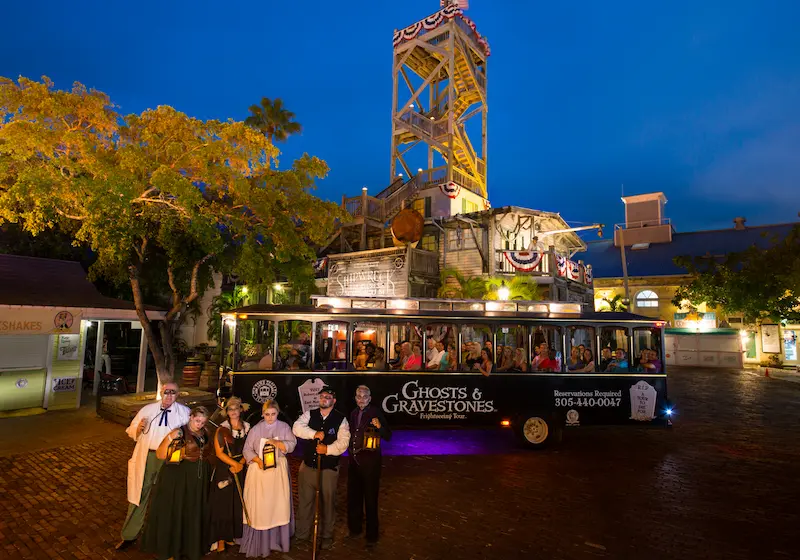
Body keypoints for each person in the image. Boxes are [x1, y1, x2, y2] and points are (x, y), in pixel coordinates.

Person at [116, 382, 190, 551]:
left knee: (166, 497)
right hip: (147, 457)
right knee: (139, 494)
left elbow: (192, 436)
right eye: (166, 392)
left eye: (173, 392)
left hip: (170, 460)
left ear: (177, 395)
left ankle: (163, 536)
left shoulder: (184, 414)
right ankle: (129, 535)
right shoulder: (148, 410)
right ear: (161, 392)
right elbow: (130, 429)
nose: (169, 396)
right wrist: (138, 428)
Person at [141, 406, 213, 560]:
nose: (199, 424)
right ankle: (171, 549)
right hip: (179, 476)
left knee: (192, 510)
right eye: (197, 420)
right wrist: (169, 438)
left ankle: (190, 546)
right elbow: (160, 454)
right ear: (191, 417)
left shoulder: (205, 432)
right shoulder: (179, 432)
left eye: (203, 421)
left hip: (198, 477)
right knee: (177, 510)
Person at [292, 386, 350, 551]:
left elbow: (343, 443)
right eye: (322, 396)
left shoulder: (341, 419)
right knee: (305, 502)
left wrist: (327, 450)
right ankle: (302, 534)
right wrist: (313, 434)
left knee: (328, 504)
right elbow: (296, 428)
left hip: (328, 469)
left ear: (334, 400)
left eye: (328, 396)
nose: (324, 398)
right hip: (308, 467)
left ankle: (326, 536)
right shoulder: (310, 414)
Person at [238, 400, 297, 558]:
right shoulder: (256, 429)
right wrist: (258, 460)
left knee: (278, 504)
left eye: (273, 414)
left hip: (277, 471)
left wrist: (279, 443)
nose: (270, 417)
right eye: (267, 414)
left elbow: (292, 444)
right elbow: (247, 449)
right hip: (259, 472)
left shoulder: (284, 427)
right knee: (261, 506)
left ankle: (277, 540)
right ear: (262, 414)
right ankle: (261, 542)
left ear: (277, 413)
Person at [347, 386, 392, 549]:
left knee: (371, 499)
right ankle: (355, 529)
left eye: (364, 396)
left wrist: (379, 426)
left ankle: (372, 535)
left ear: (370, 398)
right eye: (358, 396)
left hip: (371, 464)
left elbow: (388, 435)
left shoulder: (375, 412)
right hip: (354, 461)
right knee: (354, 497)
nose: (361, 399)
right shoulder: (353, 413)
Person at [207, 397, 251, 553]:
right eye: (230, 409)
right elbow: (219, 452)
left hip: (240, 469)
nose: (233, 411)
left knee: (236, 503)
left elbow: (249, 447)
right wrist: (234, 464)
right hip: (225, 469)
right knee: (222, 504)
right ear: (227, 412)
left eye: (236, 408)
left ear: (241, 410)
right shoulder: (222, 429)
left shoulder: (247, 427)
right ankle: (219, 539)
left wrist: (242, 462)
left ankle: (230, 535)